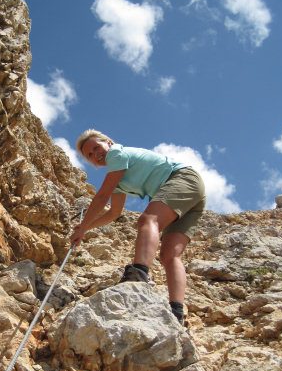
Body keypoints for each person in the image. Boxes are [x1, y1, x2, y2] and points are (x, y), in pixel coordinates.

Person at [70, 129, 206, 324]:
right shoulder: (118, 179)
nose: (95, 155)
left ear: (108, 142)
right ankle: (176, 312)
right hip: (193, 192)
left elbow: (101, 197)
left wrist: (82, 226)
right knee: (169, 254)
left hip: (182, 178)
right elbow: (113, 213)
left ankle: (138, 275)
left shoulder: (117, 153)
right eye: (89, 155)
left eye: (96, 147)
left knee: (147, 220)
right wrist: (85, 229)